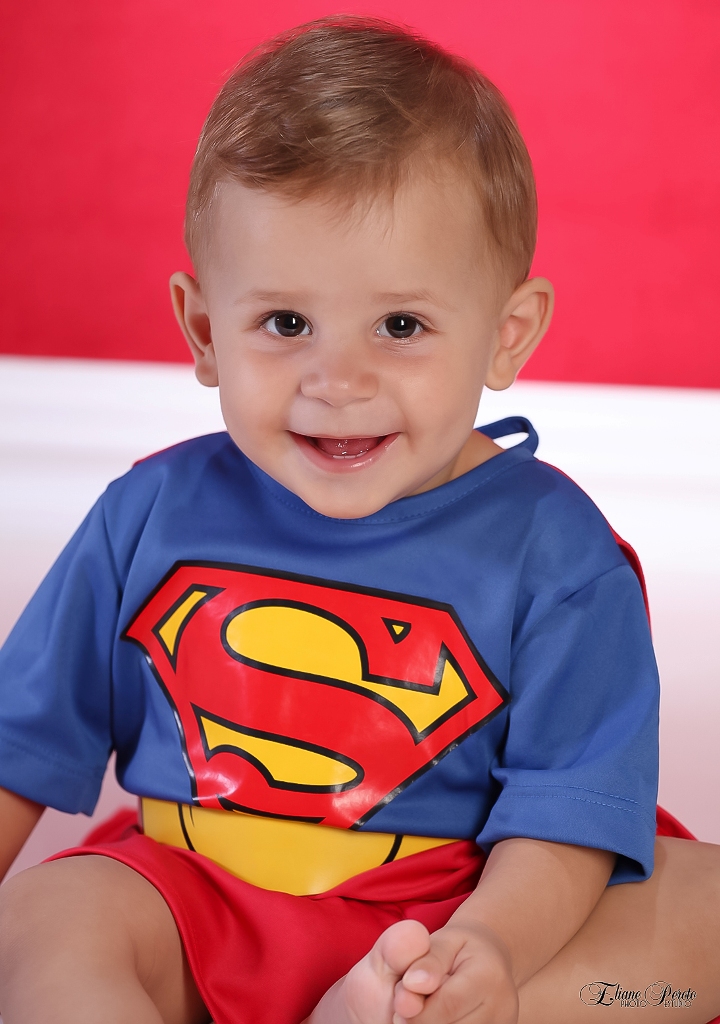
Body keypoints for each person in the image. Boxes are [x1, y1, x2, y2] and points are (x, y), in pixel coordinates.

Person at [0, 16, 718, 1024]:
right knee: (42, 917)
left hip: (451, 909)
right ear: (204, 329)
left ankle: (397, 1005)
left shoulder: (558, 555)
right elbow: (17, 743)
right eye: (286, 323)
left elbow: (570, 812)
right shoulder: (149, 513)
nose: (338, 381)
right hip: (199, 903)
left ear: (507, 334)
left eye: (401, 325)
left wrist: (488, 947)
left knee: (702, 908)